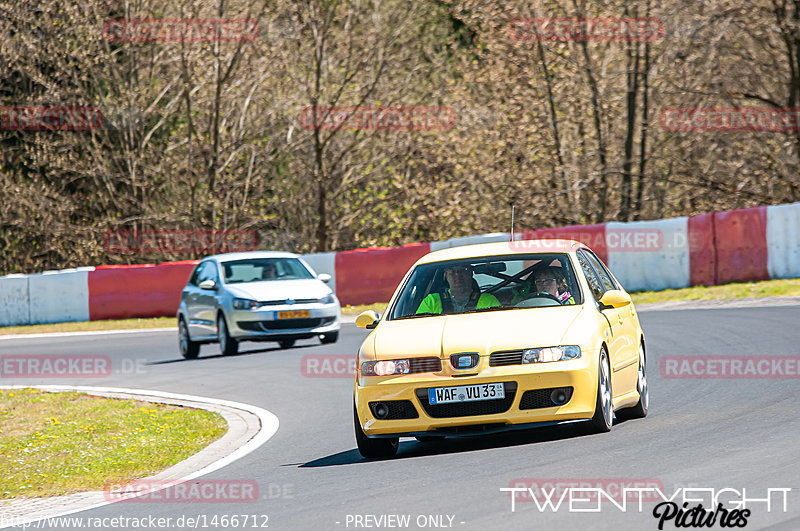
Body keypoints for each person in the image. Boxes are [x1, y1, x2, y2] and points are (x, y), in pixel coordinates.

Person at [416, 263, 501, 314]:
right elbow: (418, 329)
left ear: (470, 273)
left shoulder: (489, 301)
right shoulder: (431, 301)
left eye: (463, 270)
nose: (457, 275)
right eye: (452, 271)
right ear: (446, 276)